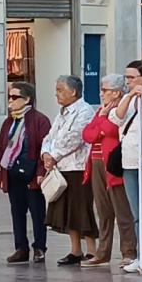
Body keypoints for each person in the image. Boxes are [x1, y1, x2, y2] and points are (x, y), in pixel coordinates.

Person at [41, 75, 98, 266]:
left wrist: (54, 155)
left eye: (60, 90)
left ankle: (92, 250)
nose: (56, 94)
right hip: (61, 166)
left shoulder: (85, 111)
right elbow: (50, 135)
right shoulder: (62, 112)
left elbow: (76, 137)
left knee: (82, 208)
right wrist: (46, 154)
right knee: (68, 210)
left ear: (73, 92)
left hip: (78, 166)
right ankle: (75, 250)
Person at [84, 75, 137, 266]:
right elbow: (88, 134)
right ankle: (103, 252)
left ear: (116, 92)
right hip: (96, 162)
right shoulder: (101, 110)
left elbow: (112, 130)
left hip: (112, 163)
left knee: (122, 210)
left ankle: (129, 251)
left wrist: (101, 124)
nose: (101, 93)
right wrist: (101, 122)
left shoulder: (121, 109)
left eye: (105, 90)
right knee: (103, 210)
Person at [0, 81, 51, 264]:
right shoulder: (9, 121)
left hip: (32, 173)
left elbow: (45, 147)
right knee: (17, 212)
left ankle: (39, 248)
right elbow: (1, 149)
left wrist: (41, 172)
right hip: (13, 173)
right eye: (9, 97)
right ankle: (21, 248)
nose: (10, 101)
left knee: (37, 213)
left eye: (14, 97)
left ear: (27, 99)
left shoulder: (39, 120)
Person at [112, 60, 142, 267]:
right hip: (129, 160)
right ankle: (141, 255)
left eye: (131, 77)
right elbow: (117, 118)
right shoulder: (128, 100)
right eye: (126, 77)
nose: (127, 81)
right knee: (135, 210)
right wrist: (130, 96)